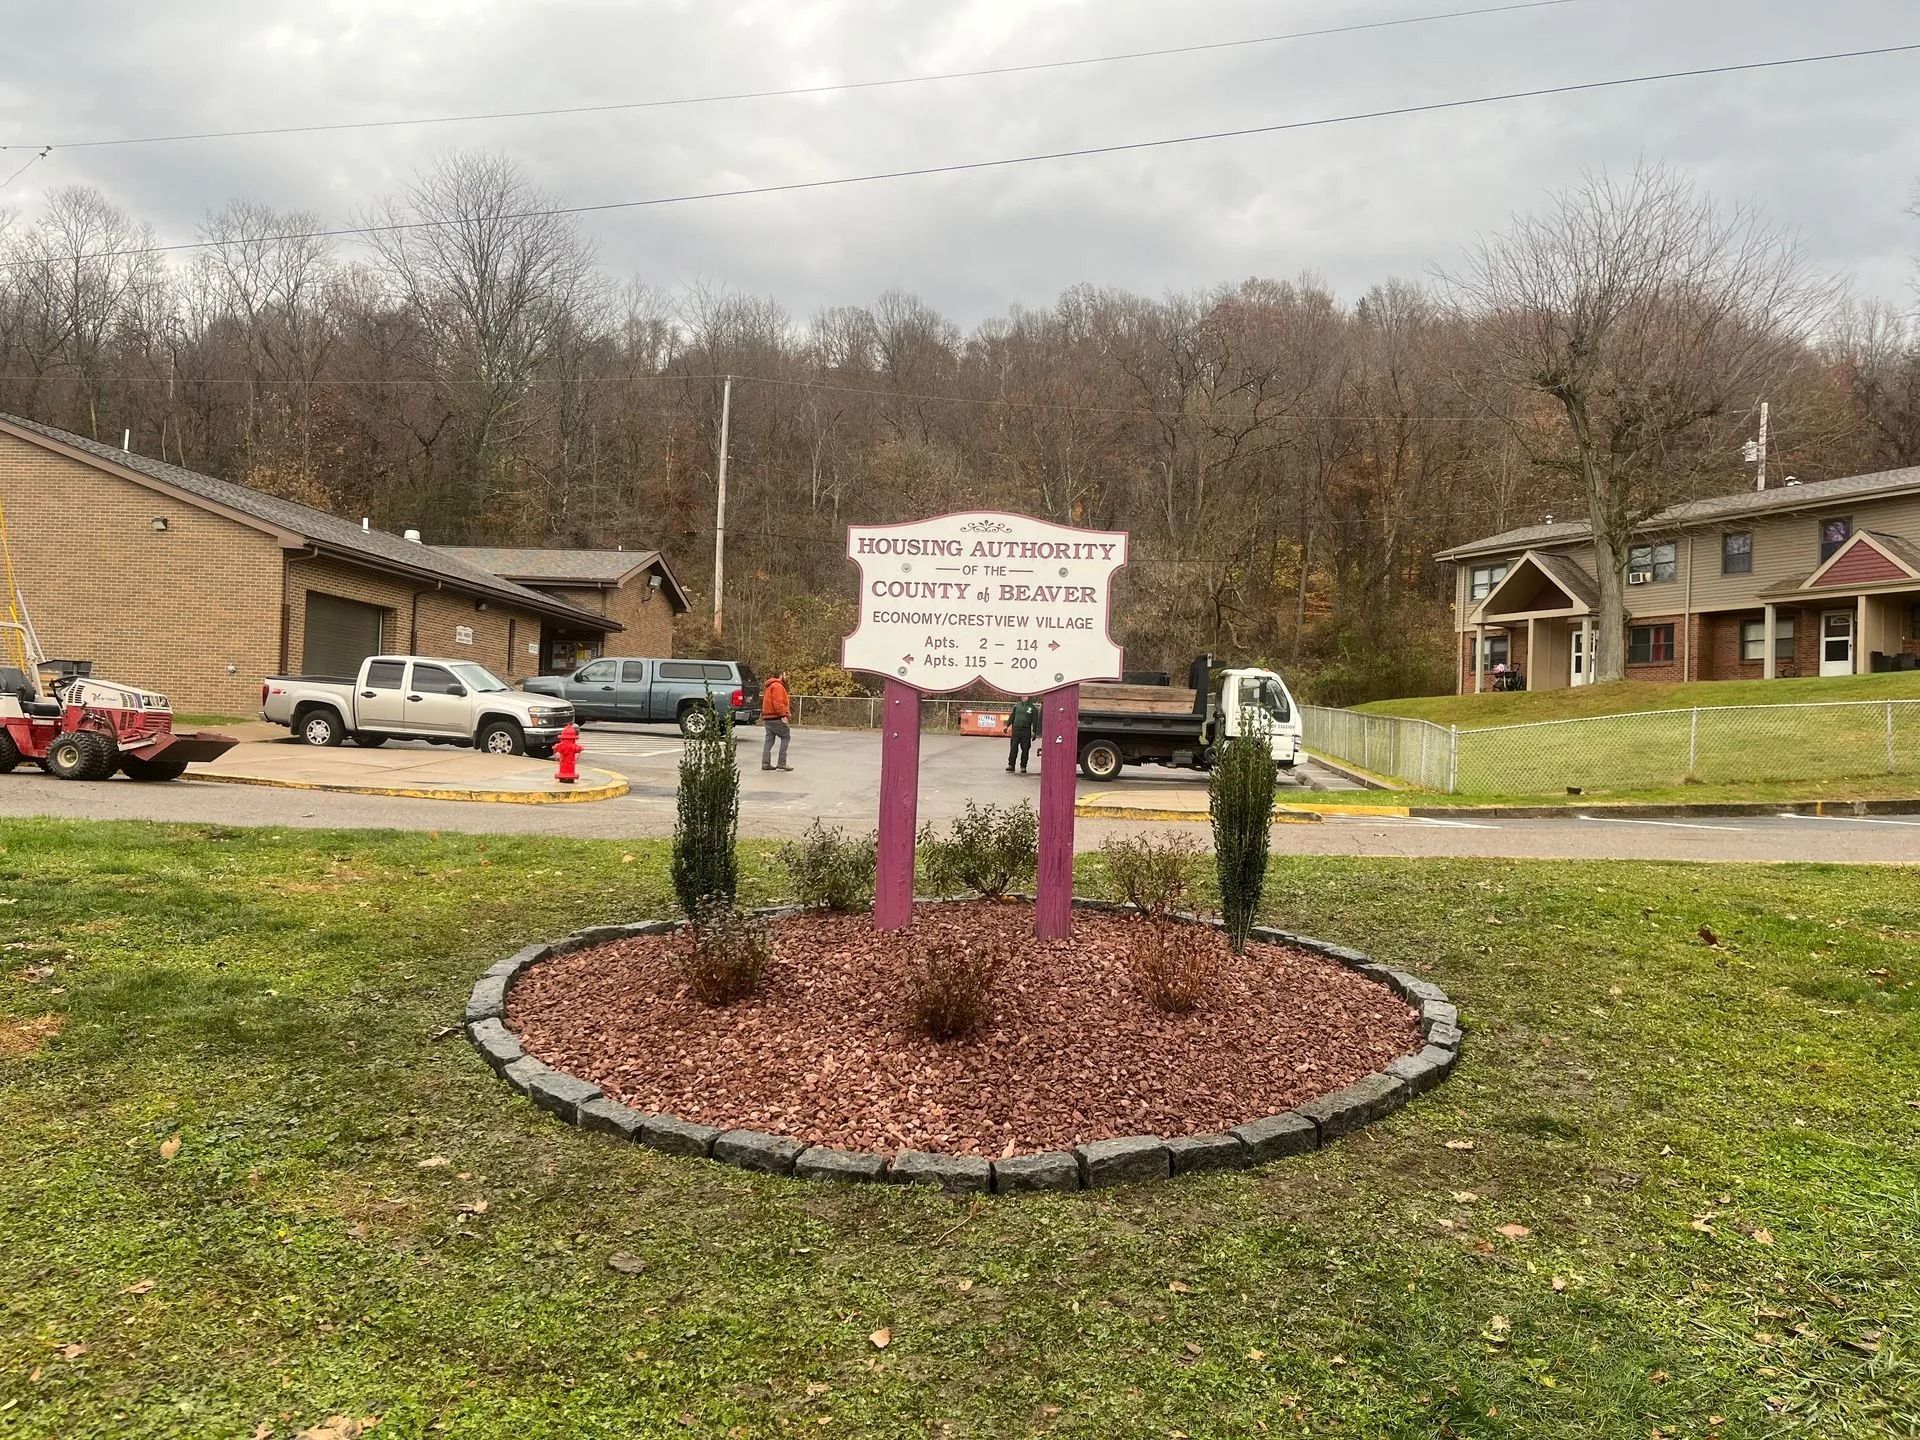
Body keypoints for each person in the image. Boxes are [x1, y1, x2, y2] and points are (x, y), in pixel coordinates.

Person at [760, 670, 792, 771]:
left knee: (769, 740)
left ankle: (765, 763)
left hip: (767, 717)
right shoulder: (778, 686)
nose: (786, 676)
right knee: (786, 736)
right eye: (785, 674)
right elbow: (778, 703)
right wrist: (784, 715)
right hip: (776, 717)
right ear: (781, 676)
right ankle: (782, 763)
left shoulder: (769, 685)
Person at [1006, 694, 1041, 774]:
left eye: (1025, 696)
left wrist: (1034, 731)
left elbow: (1035, 721)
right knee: (1013, 748)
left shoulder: (1032, 708)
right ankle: (1011, 765)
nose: (1023, 697)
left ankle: (1023, 766)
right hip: (1016, 730)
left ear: (1029, 697)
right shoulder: (1017, 705)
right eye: (1022, 696)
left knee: (1025, 749)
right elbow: (1012, 716)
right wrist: (1007, 725)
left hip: (1025, 731)